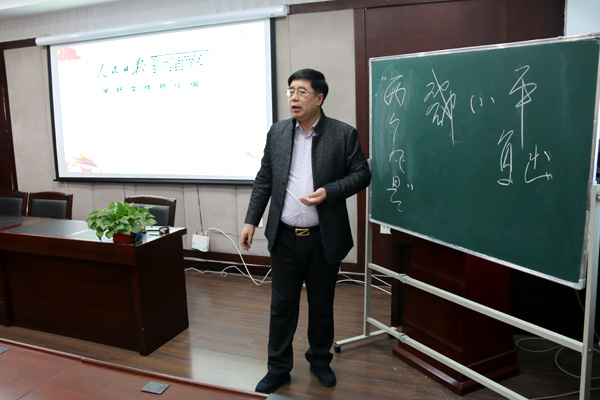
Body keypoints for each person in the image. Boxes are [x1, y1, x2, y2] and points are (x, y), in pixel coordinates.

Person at [240, 68, 371, 394]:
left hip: (322, 239)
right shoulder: (278, 132)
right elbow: (264, 179)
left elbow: (362, 174)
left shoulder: (342, 134)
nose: (294, 98)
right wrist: (251, 221)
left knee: (321, 305)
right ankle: (278, 368)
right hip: (284, 237)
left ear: (319, 98)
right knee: (281, 308)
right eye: (291, 91)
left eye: (301, 91)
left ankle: (320, 361)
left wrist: (329, 192)